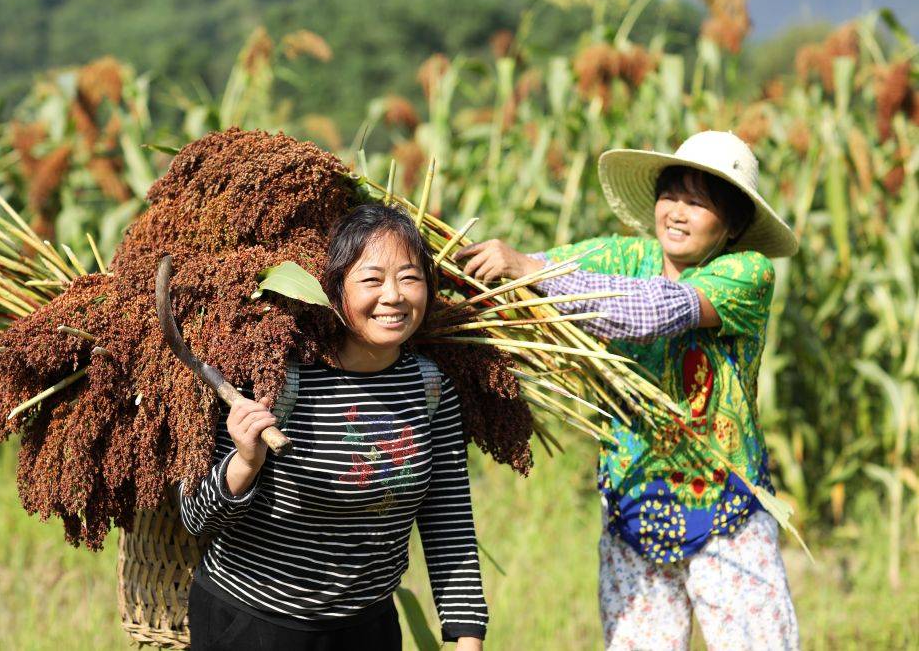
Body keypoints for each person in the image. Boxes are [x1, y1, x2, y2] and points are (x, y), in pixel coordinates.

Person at [455, 131, 799, 650]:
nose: (678, 213)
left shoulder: (746, 273)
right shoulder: (621, 255)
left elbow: (654, 310)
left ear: (731, 225)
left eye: (699, 203)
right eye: (672, 196)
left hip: (727, 512)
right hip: (634, 506)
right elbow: (529, 273)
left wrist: (530, 271)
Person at [180, 203, 487, 651]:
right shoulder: (277, 380)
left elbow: (449, 524)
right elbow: (195, 518)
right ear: (334, 290)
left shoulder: (430, 387)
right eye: (371, 279)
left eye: (409, 277)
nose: (394, 296)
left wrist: (467, 638)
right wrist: (244, 462)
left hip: (368, 628)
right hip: (253, 624)